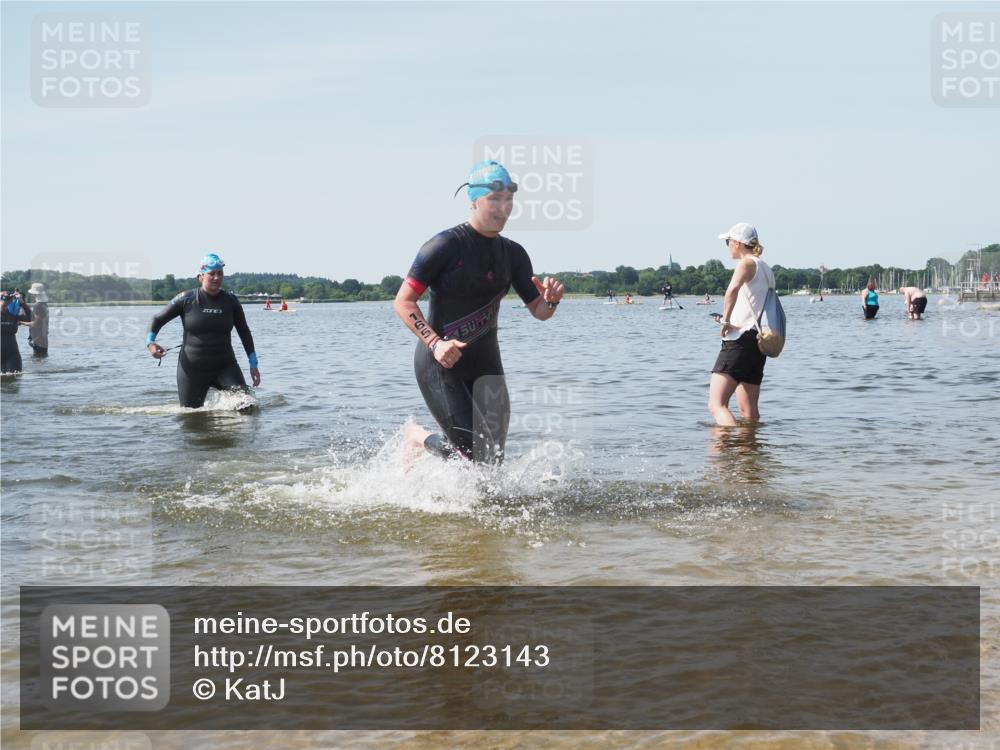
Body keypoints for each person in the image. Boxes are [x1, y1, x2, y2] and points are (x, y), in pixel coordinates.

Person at [393, 160, 564, 462]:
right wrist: (435, 343)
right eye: (494, 199)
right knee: (473, 455)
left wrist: (549, 301)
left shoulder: (513, 254)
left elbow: (539, 311)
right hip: (441, 364)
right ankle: (417, 438)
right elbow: (403, 302)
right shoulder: (444, 246)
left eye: (509, 199)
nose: (504, 207)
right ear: (473, 200)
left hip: (487, 365)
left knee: (493, 460)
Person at [146, 253, 261, 407]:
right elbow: (157, 320)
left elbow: (244, 332)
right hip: (193, 369)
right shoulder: (186, 299)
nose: (216, 277)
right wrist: (151, 343)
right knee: (190, 416)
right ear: (200, 277)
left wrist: (253, 364)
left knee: (248, 406)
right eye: (211, 274)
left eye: (220, 273)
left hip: (225, 366)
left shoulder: (231, 301)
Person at [707, 223, 774, 427]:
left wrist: (725, 322)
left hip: (739, 341)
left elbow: (732, 291)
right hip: (757, 342)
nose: (727, 246)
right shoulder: (766, 268)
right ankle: (750, 455)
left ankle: (723, 456)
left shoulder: (746, 264)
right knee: (749, 411)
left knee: (716, 405)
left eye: (728, 242)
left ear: (737, 243)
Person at [1, 289, 32, 373]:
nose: (5, 301)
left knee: (15, 379)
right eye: (3, 297)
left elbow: (30, 318)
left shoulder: (13, 315)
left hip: (12, 354)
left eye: (7, 298)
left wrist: (22, 303)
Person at [27, 282, 49, 356]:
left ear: (35, 294)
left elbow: (35, 323)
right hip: (44, 337)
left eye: (32, 293)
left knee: (37, 358)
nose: (31, 295)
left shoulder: (37, 306)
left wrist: (20, 322)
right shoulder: (44, 305)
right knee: (43, 358)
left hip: (38, 338)